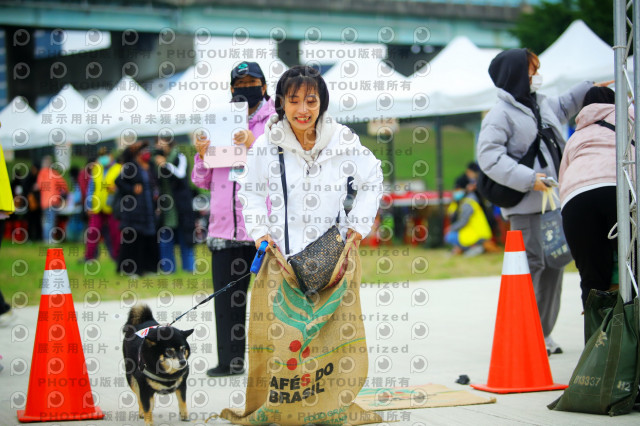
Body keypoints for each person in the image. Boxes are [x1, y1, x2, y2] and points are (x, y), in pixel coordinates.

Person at [477, 48, 598, 355]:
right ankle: (525, 334)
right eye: (532, 70)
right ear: (517, 75)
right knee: (531, 268)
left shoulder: (541, 105)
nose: (536, 76)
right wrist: (530, 179)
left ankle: (543, 333)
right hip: (526, 207)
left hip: (554, 204)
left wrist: (592, 87)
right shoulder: (499, 115)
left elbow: (568, 102)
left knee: (555, 264)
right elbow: (489, 157)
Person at [191, 61, 276, 377]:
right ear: (230, 89)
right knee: (226, 301)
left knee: (270, 301)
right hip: (224, 229)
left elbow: (284, 167)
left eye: (252, 82)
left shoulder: (275, 122)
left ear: (264, 87)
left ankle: (271, 363)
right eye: (239, 84)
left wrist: (256, 145)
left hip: (262, 230)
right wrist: (202, 154)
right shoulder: (219, 121)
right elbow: (201, 179)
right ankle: (230, 361)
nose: (246, 88)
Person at [559, 86, 622, 307]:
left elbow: (563, 178)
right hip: (617, 191)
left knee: (592, 281)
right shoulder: (629, 122)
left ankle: (597, 339)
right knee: (633, 270)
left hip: (576, 198)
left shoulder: (576, 136)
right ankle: (631, 334)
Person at [115, 141, 159, 276]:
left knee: (149, 238)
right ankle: (131, 270)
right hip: (134, 210)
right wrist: (132, 189)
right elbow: (119, 181)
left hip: (148, 208)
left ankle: (149, 268)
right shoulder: (131, 166)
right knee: (134, 239)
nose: (147, 155)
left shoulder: (150, 166)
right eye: (144, 152)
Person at [154, 136, 195, 273]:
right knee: (165, 237)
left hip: (181, 205)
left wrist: (165, 165)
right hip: (166, 207)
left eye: (161, 142)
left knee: (185, 237)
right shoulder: (156, 160)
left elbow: (181, 174)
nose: (159, 146)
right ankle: (167, 268)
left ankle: (189, 267)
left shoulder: (179, 156)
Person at [84, 148, 122, 261]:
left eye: (104, 155)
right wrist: (89, 205)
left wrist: (116, 189)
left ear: (111, 156)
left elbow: (123, 187)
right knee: (92, 231)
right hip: (98, 206)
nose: (102, 158)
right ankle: (89, 257)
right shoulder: (97, 169)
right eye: (100, 156)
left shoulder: (119, 169)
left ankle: (117, 257)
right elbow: (91, 188)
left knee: (115, 233)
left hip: (112, 207)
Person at [445, 175, 493, 256]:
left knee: (450, 236)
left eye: (458, 189)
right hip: (475, 233)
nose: (456, 192)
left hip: (478, 234)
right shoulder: (466, 200)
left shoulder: (468, 202)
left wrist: (450, 228)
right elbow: (451, 212)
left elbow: (463, 221)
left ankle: (473, 247)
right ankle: (468, 248)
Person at [36, 155, 68, 244]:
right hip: (53, 200)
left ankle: (47, 239)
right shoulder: (54, 173)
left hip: (44, 202)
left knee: (47, 221)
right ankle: (49, 240)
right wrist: (64, 196)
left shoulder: (41, 173)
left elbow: (39, 186)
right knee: (50, 221)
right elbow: (64, 185)